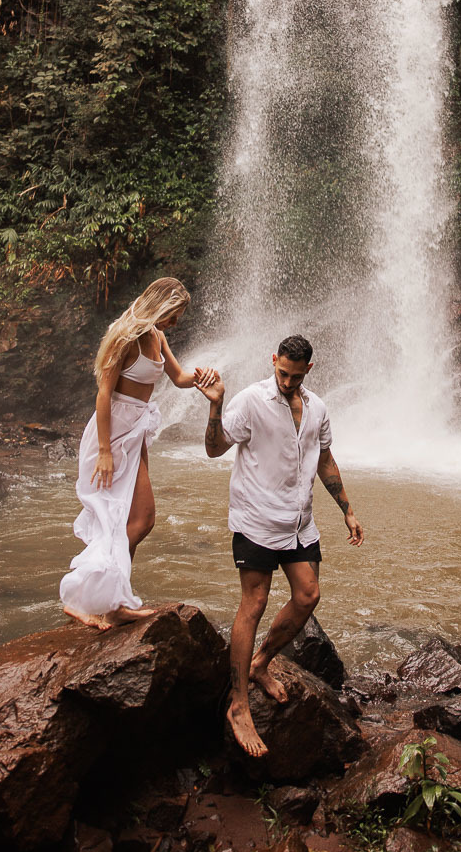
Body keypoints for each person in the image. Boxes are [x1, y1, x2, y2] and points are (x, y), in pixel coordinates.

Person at [198, 334, 364, 757]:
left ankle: (260, 662)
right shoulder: (251, 401)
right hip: (256, 521)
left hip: (298, 522)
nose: (286, 381)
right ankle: (238, 706)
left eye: (294, 375)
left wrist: (346, 508)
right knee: (253, 603)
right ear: (273, 361)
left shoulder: (318, 408)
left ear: (309, 369)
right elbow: (214, 449)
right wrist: (216, 404)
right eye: (281, 372)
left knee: (308, 595)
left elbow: (324, 458)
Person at [60, 276, 214, 631]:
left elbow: (179, 378)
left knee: (136, 521)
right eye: (174, 313)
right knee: (130, 521)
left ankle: (113, 601)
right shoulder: (126, 335)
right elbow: (103, 394)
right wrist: (103, 451)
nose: (175, 322)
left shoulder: (158, 337)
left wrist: (204, 378)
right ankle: (83, 596)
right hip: (112, 434)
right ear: (160, 304)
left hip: (137, 433)